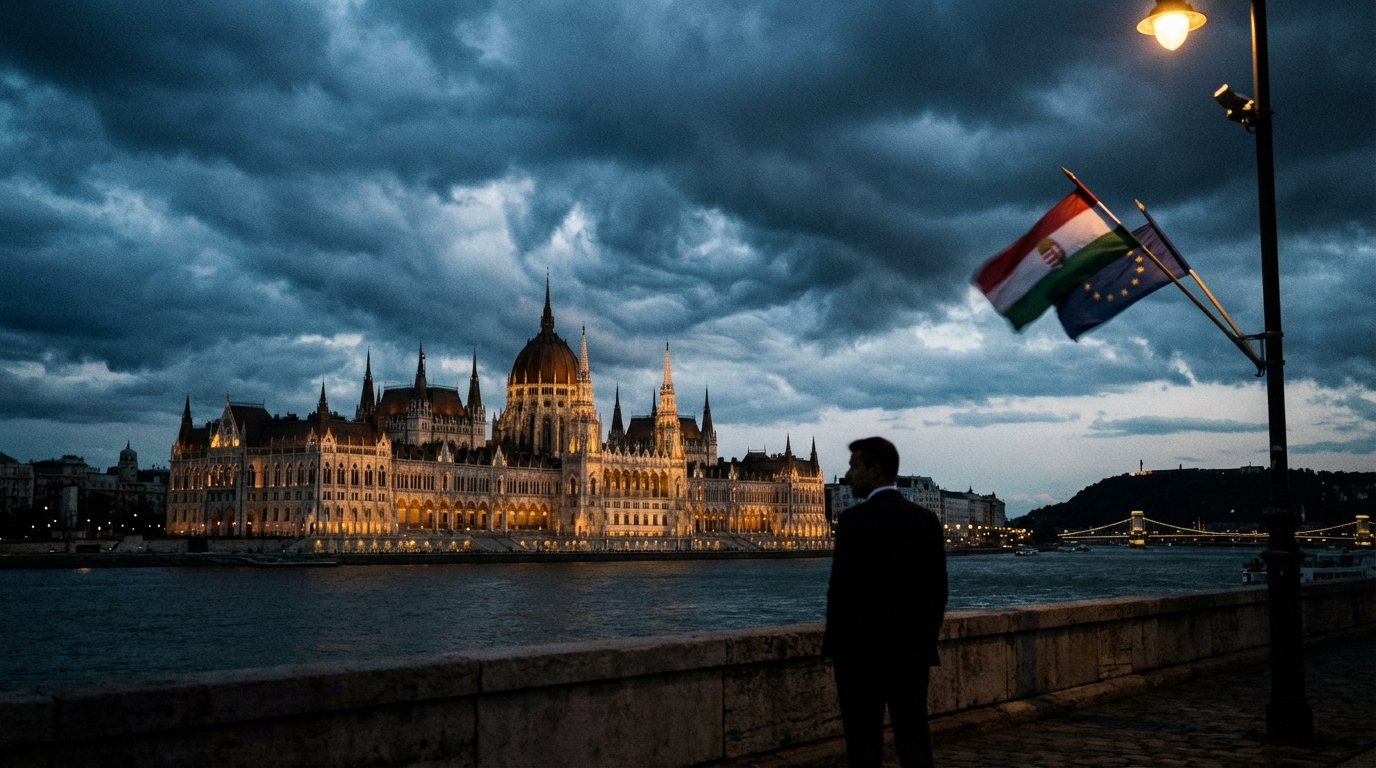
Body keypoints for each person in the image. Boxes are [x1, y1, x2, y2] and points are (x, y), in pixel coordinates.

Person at [823, 436, 948, 768]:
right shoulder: (926, 521)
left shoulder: (853, 522)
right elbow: (938, 592)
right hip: (911, 655)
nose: (848, 475)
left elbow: (839, 595)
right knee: (914, 740)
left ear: (874, 470)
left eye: (854, 467)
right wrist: (922, 643)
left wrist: (839, 650)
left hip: (860, 659)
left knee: (863, 748)